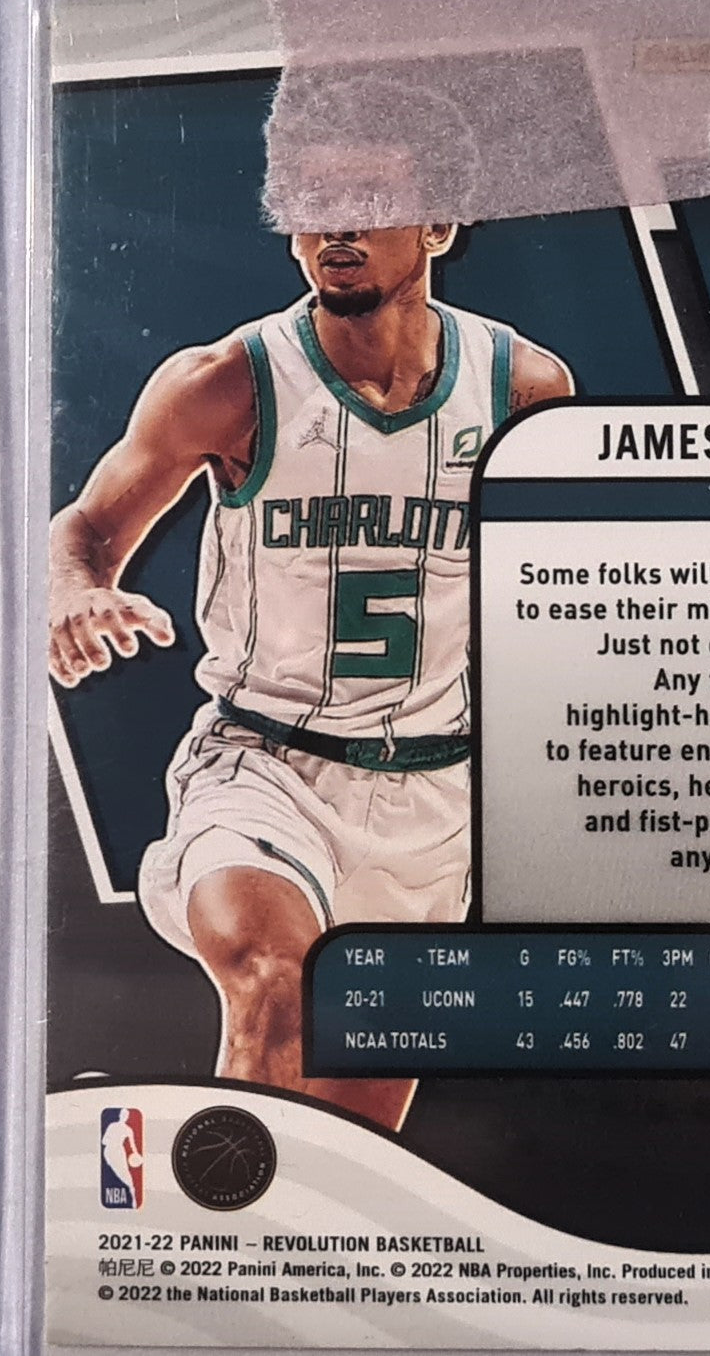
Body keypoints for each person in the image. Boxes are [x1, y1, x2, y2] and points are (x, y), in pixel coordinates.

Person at [49, 224, 573, 1130]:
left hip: (433, 795)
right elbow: (86, 526)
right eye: (312, 201)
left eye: (365, 196)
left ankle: (178, 1166)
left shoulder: (524, 389)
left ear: (437, 222)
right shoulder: (227, 382)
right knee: (276, 980)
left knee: (348, 1146)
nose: (336, 225)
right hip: (265, 763)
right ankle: (207, 1205)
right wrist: (74, 592)